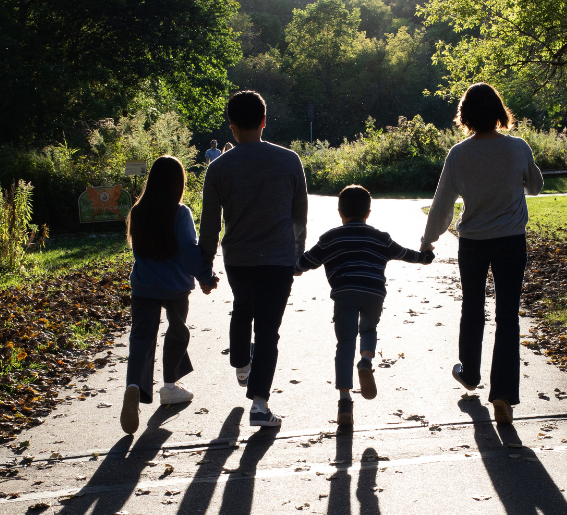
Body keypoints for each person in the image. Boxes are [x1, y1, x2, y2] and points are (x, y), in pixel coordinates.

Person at [420, 83, 544, 425]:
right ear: (499, 113)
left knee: (473, 306)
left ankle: (470, 373)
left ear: (467, 115)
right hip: (510, 240)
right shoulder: (518, 148)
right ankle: (502, 393)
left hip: (473, 241)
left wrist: (429, 239)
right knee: (507, 315)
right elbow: (534, 187)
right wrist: (526, 170)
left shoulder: (459, 154)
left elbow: (443, 202)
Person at [200, 90, 308, 427]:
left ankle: (240, 363)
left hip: (238, 257)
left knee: (242, 308)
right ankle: (260, 405)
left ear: (231, 126)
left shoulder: (218, 168)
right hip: (278, 259)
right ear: (264, 121)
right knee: (268, 331)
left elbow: (208, 226)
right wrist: (298, 254)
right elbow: (299, 215)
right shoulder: (290, 160)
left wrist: (205, 269)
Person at [295, 185, 434, 425]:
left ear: (340, 212)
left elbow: (304, 262)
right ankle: (366, 362)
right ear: (368, 213)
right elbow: (405, 254)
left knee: (345, 343)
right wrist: (425, 256)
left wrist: (289, 267)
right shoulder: (381, 237)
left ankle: (345, 402)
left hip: (345, 293)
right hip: (373, 293)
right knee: (368, 330)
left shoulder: (330, 238)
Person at [120, 155, 219, 434]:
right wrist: (207, 278)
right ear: (178, 183)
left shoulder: (138, 212)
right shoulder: (180, 212)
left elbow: (138, 251)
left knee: (141, 338)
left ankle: (134, 387)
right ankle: (170, 386)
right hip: (175, 287)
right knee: (177, 331)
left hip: (143, 286)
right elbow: (189, 252)